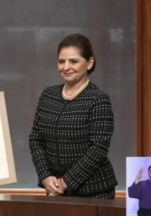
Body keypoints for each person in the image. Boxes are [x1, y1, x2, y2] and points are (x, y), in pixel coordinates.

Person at [29, 33, 118, 199]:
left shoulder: (98, 98)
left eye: (74, 61)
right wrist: (45, 176)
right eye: (61, 61)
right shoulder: (48, 95)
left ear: (89, 63)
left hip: (94, 192)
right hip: (54, 189)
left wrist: (66, 182)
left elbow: (98, 148)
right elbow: (35, 139)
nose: (66, 67)